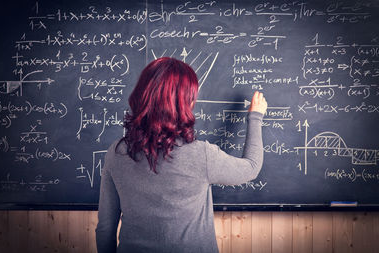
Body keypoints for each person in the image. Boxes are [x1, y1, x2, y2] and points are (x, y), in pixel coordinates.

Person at [95, 57, 267, 253]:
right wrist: (255, 116)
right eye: (192, 96)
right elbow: (251, 167)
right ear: (184, 102)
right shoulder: (201, 154)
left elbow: (105, 228)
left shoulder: (117, 152)